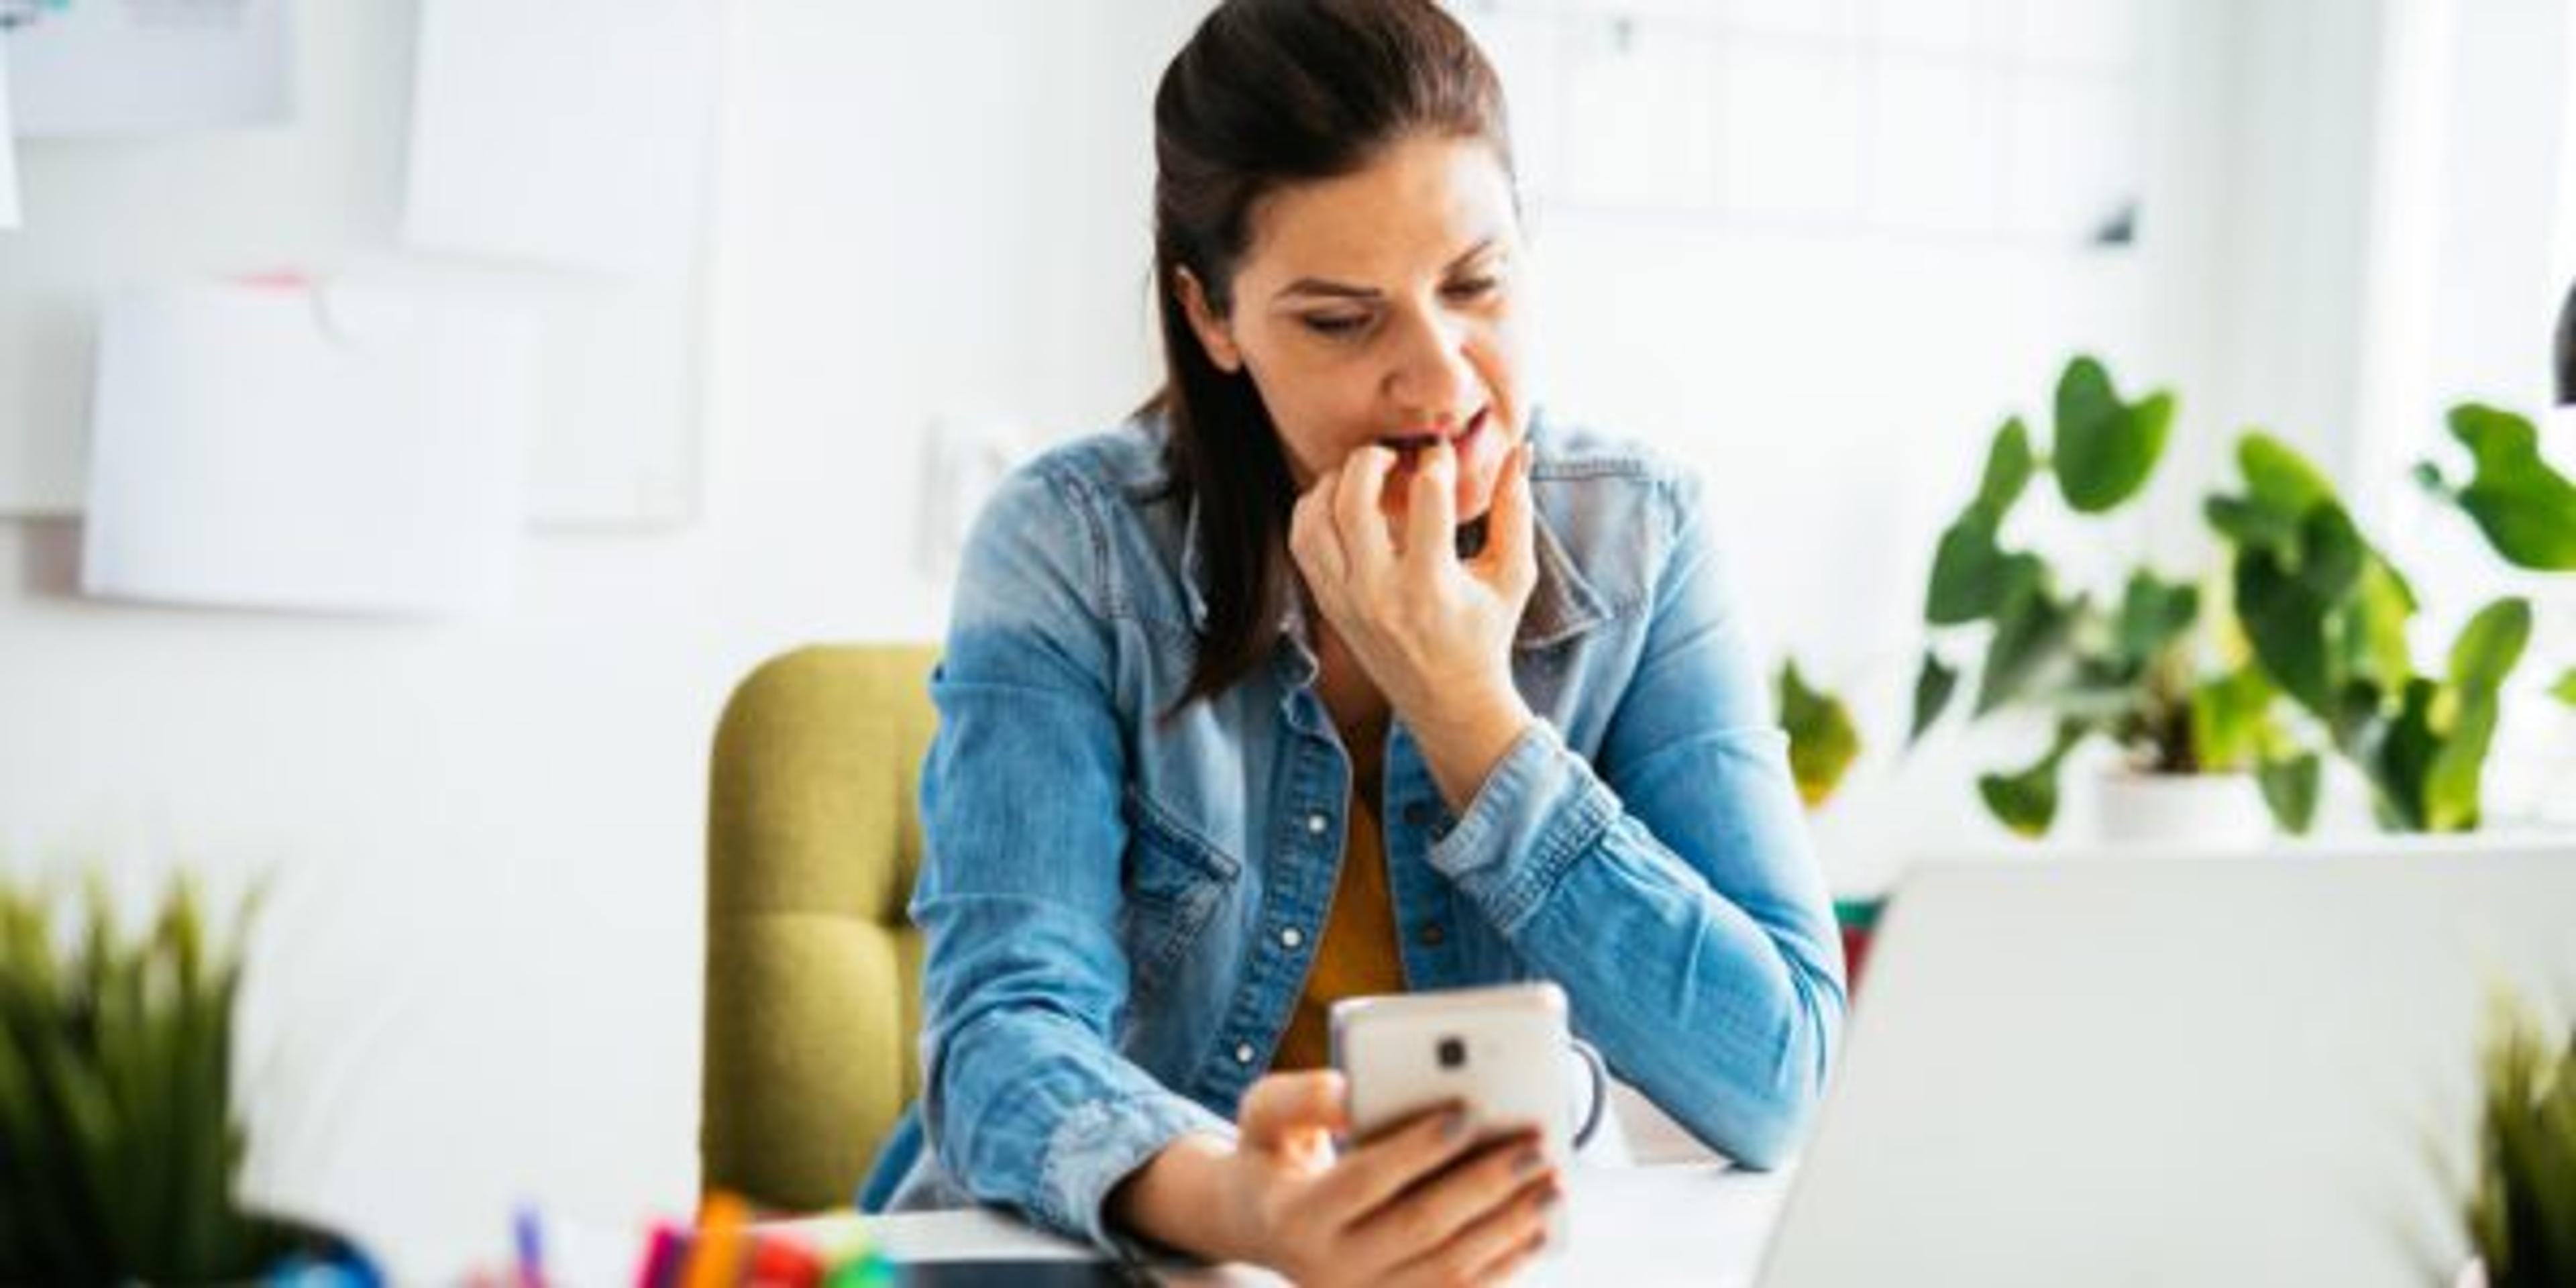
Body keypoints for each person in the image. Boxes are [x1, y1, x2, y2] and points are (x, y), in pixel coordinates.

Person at [859, 1, 1845, 1281]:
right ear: (1213, 318)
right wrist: (1250, 1211)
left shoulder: (1640, 538)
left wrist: (1471, 715)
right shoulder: (1072, 548)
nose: (1439, 381)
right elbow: (999, 1042)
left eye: (1476, 285)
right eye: (1340, 320)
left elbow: (1780, 1084)